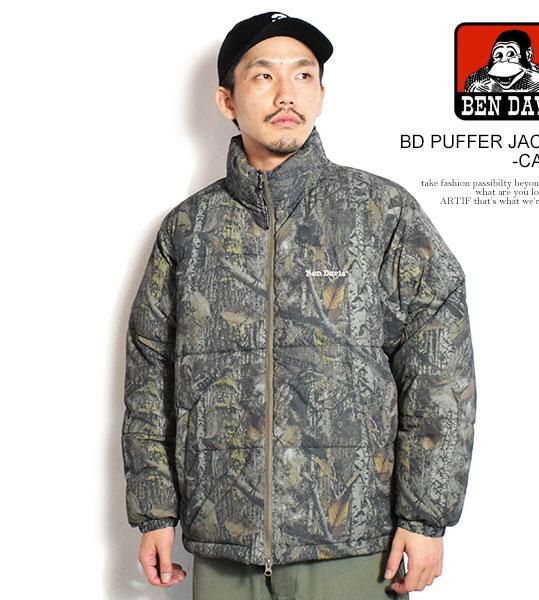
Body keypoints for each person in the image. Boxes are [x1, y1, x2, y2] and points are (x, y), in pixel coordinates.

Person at [120, 11, 477, 600]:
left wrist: (424, 519)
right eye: (264, 76)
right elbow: (149, 374)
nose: (287, 94)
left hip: (353, 547)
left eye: (304, 75)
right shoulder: (189, 229)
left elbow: (441, 370)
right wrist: (155, 510)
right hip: (223, 546)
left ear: (321, 95)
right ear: (227, 100)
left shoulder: (380, 213)